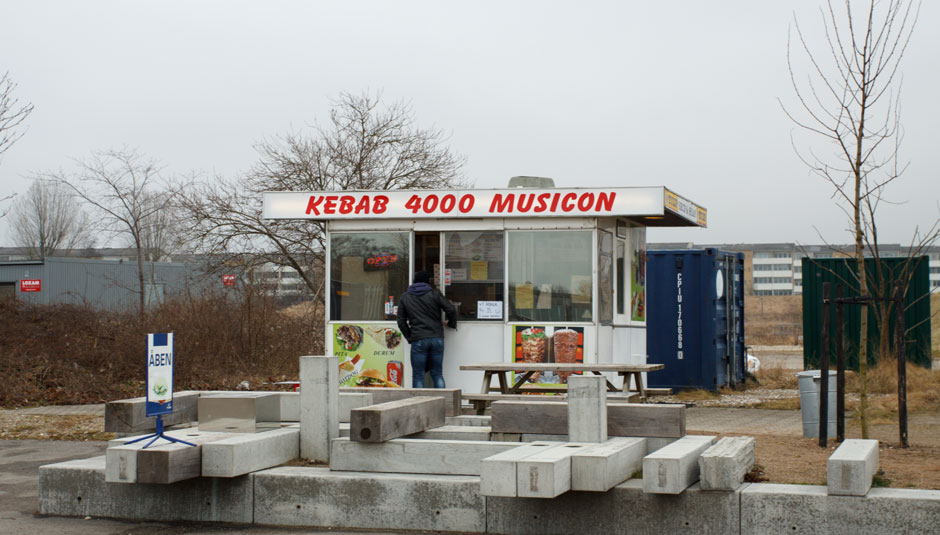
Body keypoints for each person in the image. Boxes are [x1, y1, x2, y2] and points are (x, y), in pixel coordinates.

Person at [396, 271, 457, 388]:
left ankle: (419, 403)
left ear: (414, 282)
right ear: (428, 281)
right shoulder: (435, 294)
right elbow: (451, 310)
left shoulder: (405, 297)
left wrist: (409, 336)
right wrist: (451, 324)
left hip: (418, 338)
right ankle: (443, 401)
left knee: (418, 375)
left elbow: (401, 321)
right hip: (436, 338)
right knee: (437, 373)